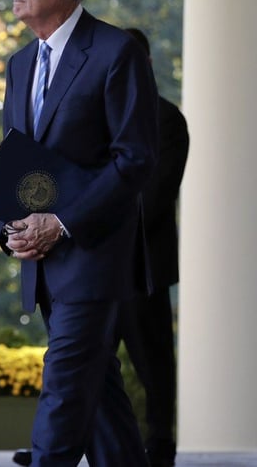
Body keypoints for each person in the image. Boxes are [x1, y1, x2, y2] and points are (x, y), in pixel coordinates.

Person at [0, 0, 159, 466]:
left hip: (95, 259)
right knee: (102, 403)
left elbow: (136, 159)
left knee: (65, 391)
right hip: (43, 263)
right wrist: (14, 229)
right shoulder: (20, 64)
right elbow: (18, 162)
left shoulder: (116, 53)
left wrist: (62, 223)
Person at [118, 27, 189, 467]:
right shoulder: (105, 116)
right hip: (99, 265)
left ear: (143, 63)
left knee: (152, 361)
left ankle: (160, 446)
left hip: (143, 265)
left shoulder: (165, 119)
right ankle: (64, 444)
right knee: (86, 361)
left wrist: (90, 219)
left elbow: (156, 195)